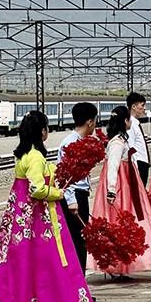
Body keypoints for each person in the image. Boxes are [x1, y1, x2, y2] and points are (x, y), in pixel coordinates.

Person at [0, 111, 97, 302]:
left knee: (21, 265)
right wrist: (58, 193)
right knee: (48, 265)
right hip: (37, 222)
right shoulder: (35, 157)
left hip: (20, 218)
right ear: (42, 131)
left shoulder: (24, 154)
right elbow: (37, 189)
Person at [92, 106, 151, 275]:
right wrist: (111, 190)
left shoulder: (120, 140)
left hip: (126, 183)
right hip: (121, 187)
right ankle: (118, 264)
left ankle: (123, 263)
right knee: (119, 221)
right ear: (125, 121)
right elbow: (113, 167)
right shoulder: (117, 143)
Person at [57, 102, 98, 275]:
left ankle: (80, 281)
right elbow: (64, 176)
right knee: (76, 241)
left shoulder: (80, 141)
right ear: (89, 121)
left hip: (80, 195)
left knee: (80, 240)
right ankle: (77, 282)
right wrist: (71, 200)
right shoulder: (70, 143)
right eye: (95, 120)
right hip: (74, 198)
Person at [126, 92, 151, 186]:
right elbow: (130, 148)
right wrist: (135, 169)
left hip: (142, 164)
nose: (144, 108)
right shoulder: (130, 124)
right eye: (142, 105)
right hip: (138, 165)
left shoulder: (135, 123)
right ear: (133, 106)